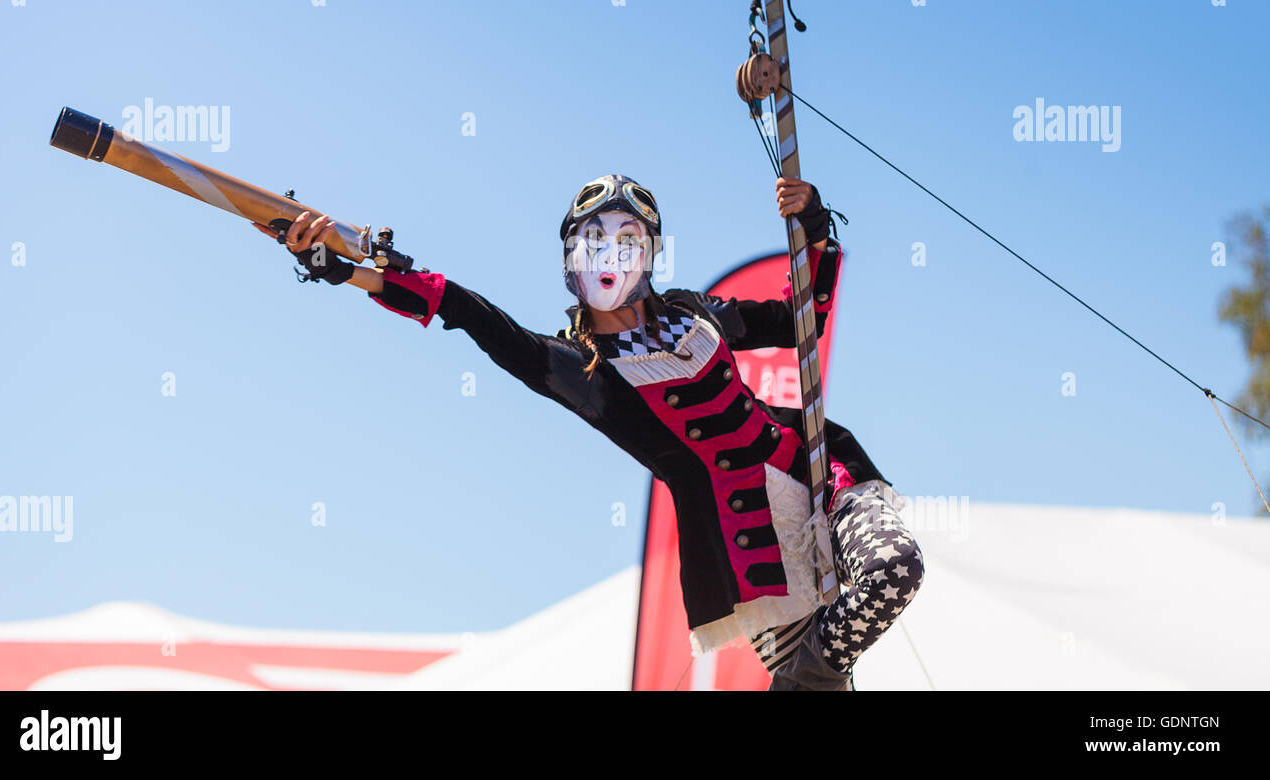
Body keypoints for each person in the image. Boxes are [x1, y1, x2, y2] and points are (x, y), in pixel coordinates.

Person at [254, 174, 924, 690]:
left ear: (648, 255)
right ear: (573, 257)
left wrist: (810, 222)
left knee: (896, 567)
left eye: (627, 242)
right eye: (596, 241)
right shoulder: (581, 367)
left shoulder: (694, 314)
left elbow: (799, 319)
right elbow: (472, 315)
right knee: (823, 673)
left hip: (821, 485)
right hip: (757, 564)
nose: (612, 255)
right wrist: (346, 268)